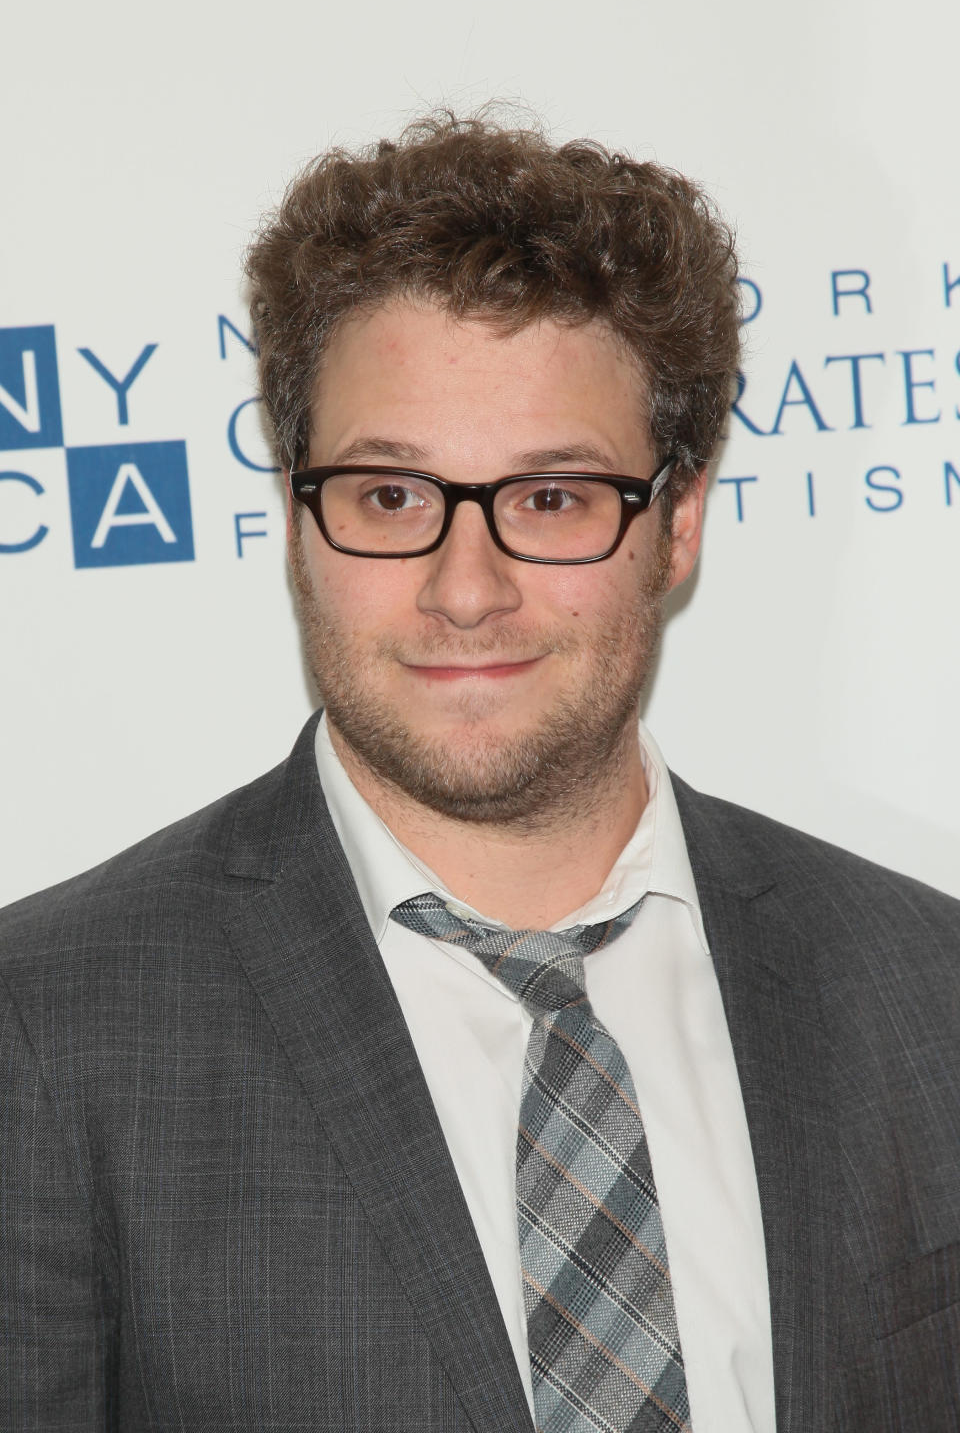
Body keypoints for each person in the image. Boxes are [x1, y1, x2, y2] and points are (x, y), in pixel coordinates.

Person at [1, 113, 958, 1433]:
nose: (466, 588)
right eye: (392, 498)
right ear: (296, 520)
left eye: (553, 499)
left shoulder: (927, 990)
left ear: (674, 525)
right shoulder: (46, 1031)